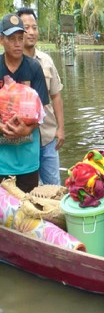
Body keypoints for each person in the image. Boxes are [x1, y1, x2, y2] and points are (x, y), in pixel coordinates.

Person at [0, 13, 49, 192]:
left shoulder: (34, 68)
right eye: (11, 39)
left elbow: (41, 112)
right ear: (1, 40)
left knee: (27, 205)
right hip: (2, 160)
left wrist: (27, 129)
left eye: (20, 38)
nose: (17, 43)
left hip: (28, 158)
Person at [17, 7, 65, 185]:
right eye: (26, 28)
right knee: (28, 188)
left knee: (54, 186)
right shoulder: (10, 64)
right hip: (23, 139)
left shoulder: (46, 61)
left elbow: (56, 96)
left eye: (34, 27)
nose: (31, 32)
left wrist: (61, 128)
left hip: (48, 136)